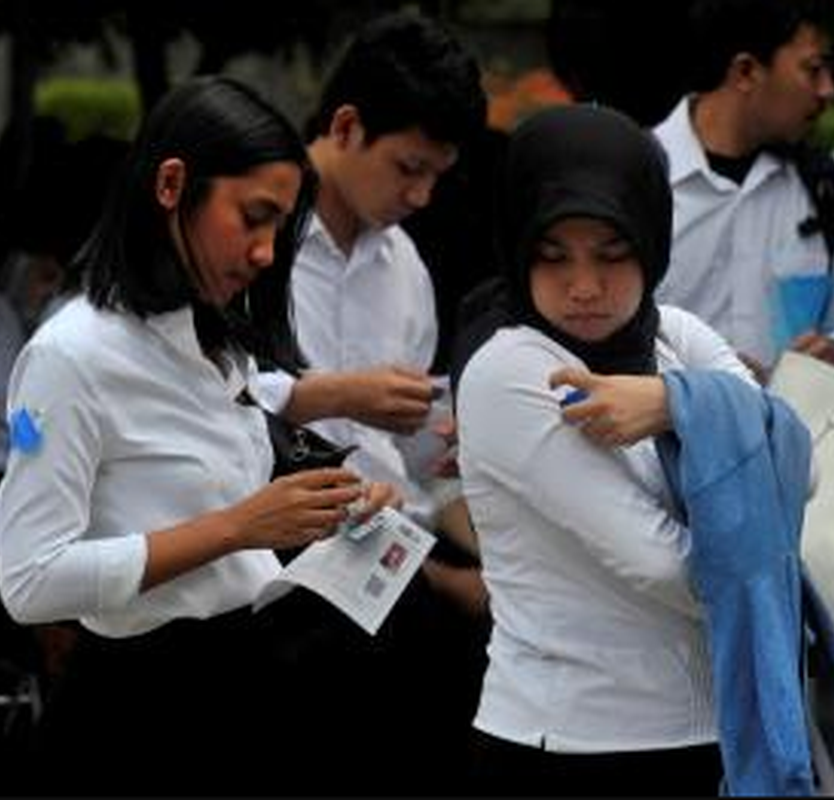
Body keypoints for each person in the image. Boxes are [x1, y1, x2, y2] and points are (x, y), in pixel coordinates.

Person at [451, 103, 834, 796]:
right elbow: (664, 565)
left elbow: (803, 468)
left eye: (613, 255)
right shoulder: (509, 372)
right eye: (552, 256)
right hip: (573, 741)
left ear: (650, 243)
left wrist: (670, 406)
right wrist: (724, 437)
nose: (584, 286)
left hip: (711, 732)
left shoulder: (672, 337)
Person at [0, 75, 396, 795]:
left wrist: (326, 509)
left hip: (252, 680)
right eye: (253, 217)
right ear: (173, 184)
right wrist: (238, 527)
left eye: (280, 226)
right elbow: (27, 581)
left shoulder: (217, 336)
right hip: (144, 709)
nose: (268, 252)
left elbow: (216, 457)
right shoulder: (70, 356)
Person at [252, 10, 491, 793]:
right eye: (408, 167)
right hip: (286, 571)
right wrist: (331, 395)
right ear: (346, 126)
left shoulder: (405, 267)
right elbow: (207, 403)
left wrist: (455, 445)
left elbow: (416, 443)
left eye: (438, 176)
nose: (421, 195)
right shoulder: (259, 243)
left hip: (398, 553)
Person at [652, 0, 834, 381]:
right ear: (746, 71)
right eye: (813, 70)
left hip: (795, 437)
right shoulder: (638, 177)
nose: (827, 90)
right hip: (659, 437)